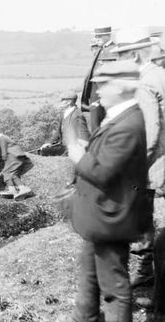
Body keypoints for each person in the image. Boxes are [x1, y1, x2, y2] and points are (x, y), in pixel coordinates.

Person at [64, 61, 151, 322]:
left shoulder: (128, 124)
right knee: (89, 276)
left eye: (104, 85)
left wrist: (80, 156)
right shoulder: (120, 116)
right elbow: (110, 158)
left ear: (123, 86)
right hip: (101, 216)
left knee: (114, 288)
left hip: (112, 217)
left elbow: (103, 173)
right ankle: (84, 317)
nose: (98, 91)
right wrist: (89, 147)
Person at [111, 26, 165, 291]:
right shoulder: (161, 74)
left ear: (134, 57)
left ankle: (147, 273)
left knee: (146, 217)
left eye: (121, 56)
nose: (119, 62)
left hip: (154, 164)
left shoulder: (145, 83)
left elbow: (151, 134)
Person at [0, 124, 34, 200]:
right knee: (10, 174)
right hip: (14, 157)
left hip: (14, 157)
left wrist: (3, 157)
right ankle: (12, 189)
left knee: (8, 173)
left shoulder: (1, 138)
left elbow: (3, 151)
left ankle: (22, 188)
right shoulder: (1, 139)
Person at [81, 26, 116, 131]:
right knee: (95, 125)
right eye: (96, 36)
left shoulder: (113, 50)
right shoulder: (101, 50)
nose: (96, 38)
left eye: (99, 36)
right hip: (95, 93)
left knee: (99, 126)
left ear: (108, 36)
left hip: (102, 94)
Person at [40, 91, 90, 156]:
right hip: (63, 147)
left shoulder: (77, 115)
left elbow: (84, 137)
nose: (61, 102)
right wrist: (49, 143)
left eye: (62, 100)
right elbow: (58, 132)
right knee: (43, 151)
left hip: (72, 149)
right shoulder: (64, 113)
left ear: (69, 102)